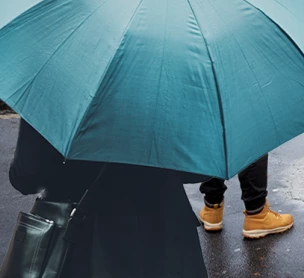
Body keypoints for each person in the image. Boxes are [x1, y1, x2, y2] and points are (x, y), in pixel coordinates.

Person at [197, 0, 294, 239]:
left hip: (201, 55)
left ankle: (212, 208)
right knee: (250, 130)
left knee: (210, 128)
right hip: (243, 55)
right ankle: (256, 213)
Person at [7, 119, 208, 278]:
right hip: (166, 232)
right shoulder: (173, 81)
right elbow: (199, 170)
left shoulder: (58, 82)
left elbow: (28, 175)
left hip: (84, 235)